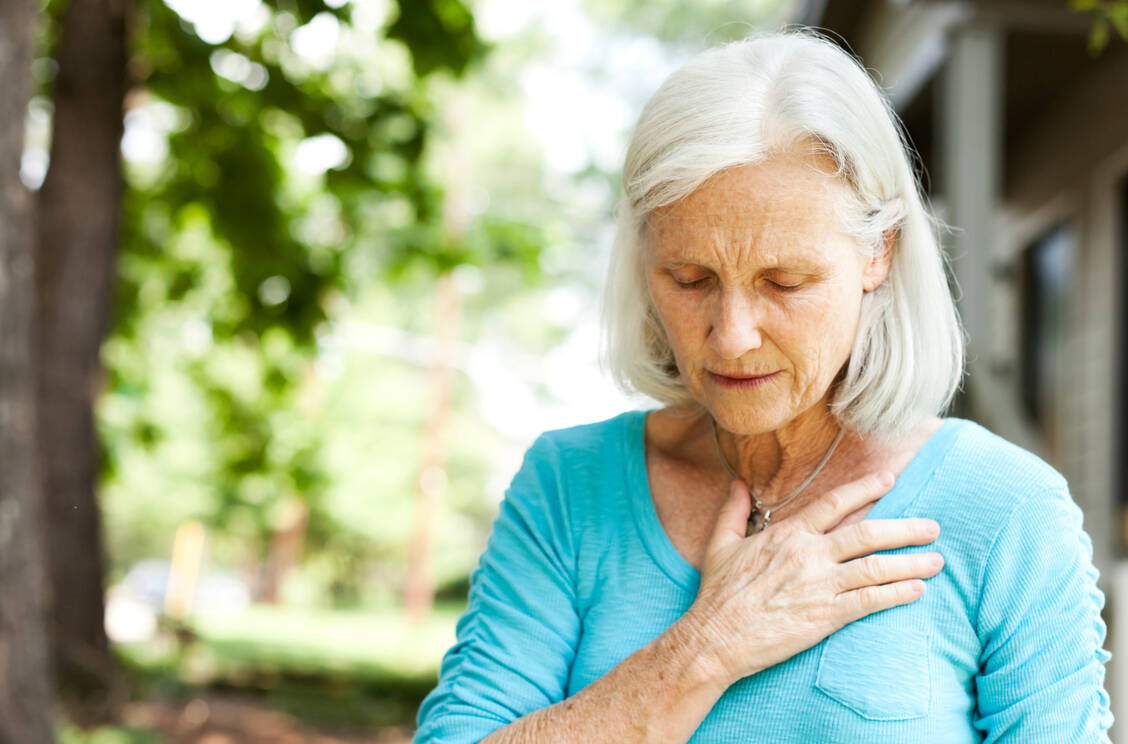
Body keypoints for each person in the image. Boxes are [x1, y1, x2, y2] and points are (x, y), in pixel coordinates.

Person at [413, 30, 1113, 742]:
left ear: (879, 253)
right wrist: (706, 646)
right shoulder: (571, 486)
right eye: (690, 279)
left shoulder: (1007, 510)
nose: (732, 334)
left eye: (785, 281)